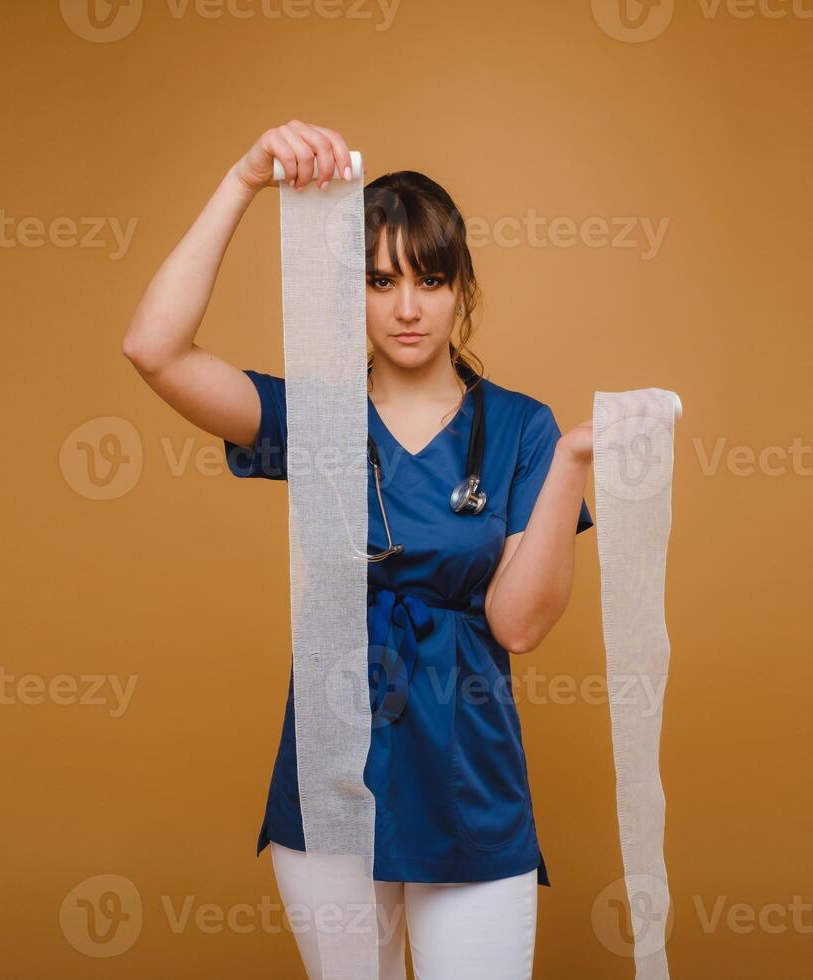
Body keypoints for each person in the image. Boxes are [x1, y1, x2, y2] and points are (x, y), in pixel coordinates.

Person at [122, 119, 595, 979]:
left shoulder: (524, 429)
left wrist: (569, 466)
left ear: (463, 291)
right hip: (334, 774)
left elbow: (520, 627)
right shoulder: (319, 416)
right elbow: (153, 350)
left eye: (431, 279)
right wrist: (243, 179)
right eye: (379, 281)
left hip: (469, 781)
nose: (407, 307)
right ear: (351, 293)